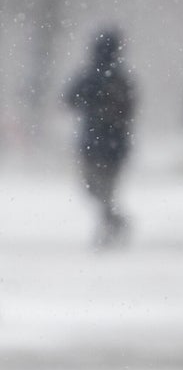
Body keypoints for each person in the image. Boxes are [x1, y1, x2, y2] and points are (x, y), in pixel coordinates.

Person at [65, 27, 136, 249]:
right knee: (99, 190)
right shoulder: (119, 78)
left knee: (99, 190)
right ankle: (114, 222)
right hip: (108, 143)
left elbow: (69, 99)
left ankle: (107, 230)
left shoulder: (96, 76)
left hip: (98, 142)